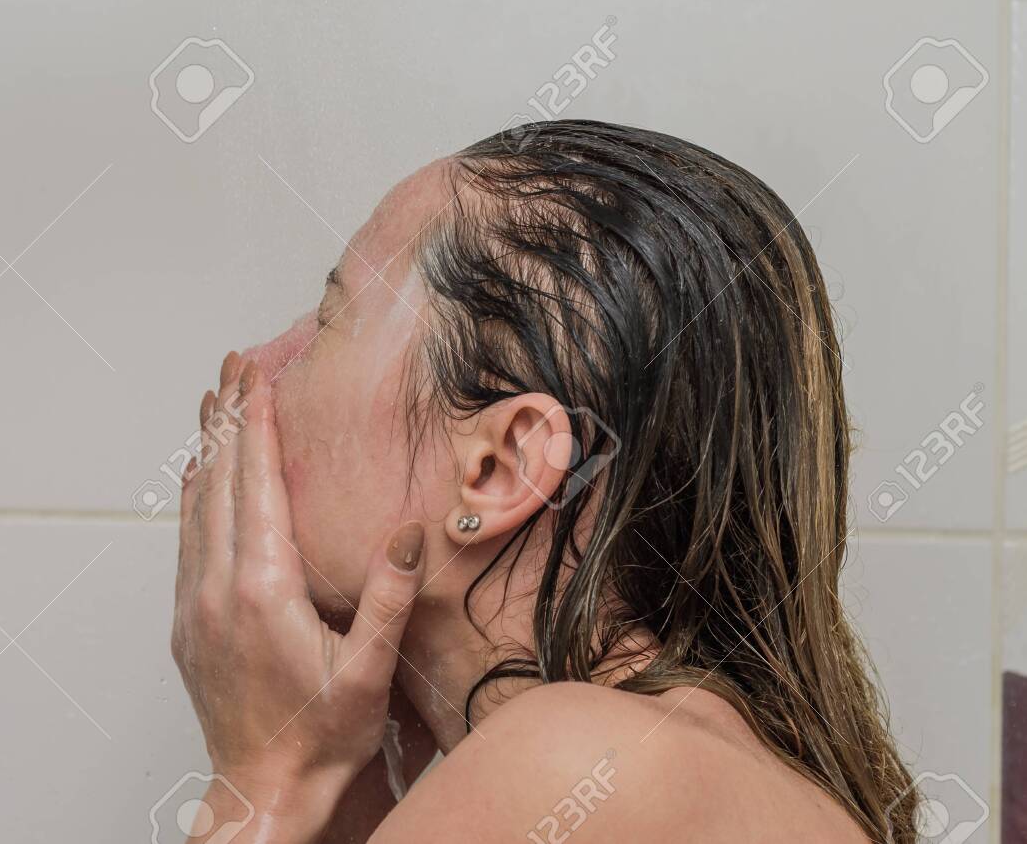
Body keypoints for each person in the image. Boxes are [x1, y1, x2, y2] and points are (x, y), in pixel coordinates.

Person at [171, 120, 918, 842]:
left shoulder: (576, 761)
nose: (258, 364)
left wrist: (267, 781)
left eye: (328, 322)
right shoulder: (665, 756)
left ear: (500, 468)